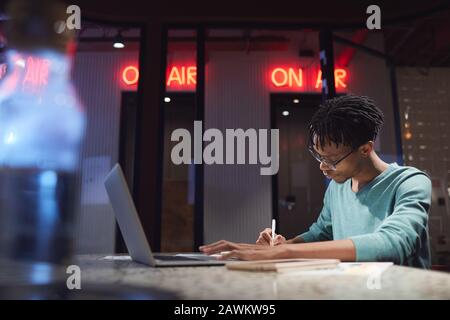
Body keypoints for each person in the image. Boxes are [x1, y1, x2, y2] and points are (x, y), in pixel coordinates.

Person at [199, 95, 432, 268]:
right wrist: (283, 244)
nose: (323, 167)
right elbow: (321, 232)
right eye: (319, 157)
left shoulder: (410, 183)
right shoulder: (337, 187)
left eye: (331, 160)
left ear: (365, 149)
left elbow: (393, 244)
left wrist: (284, 253)